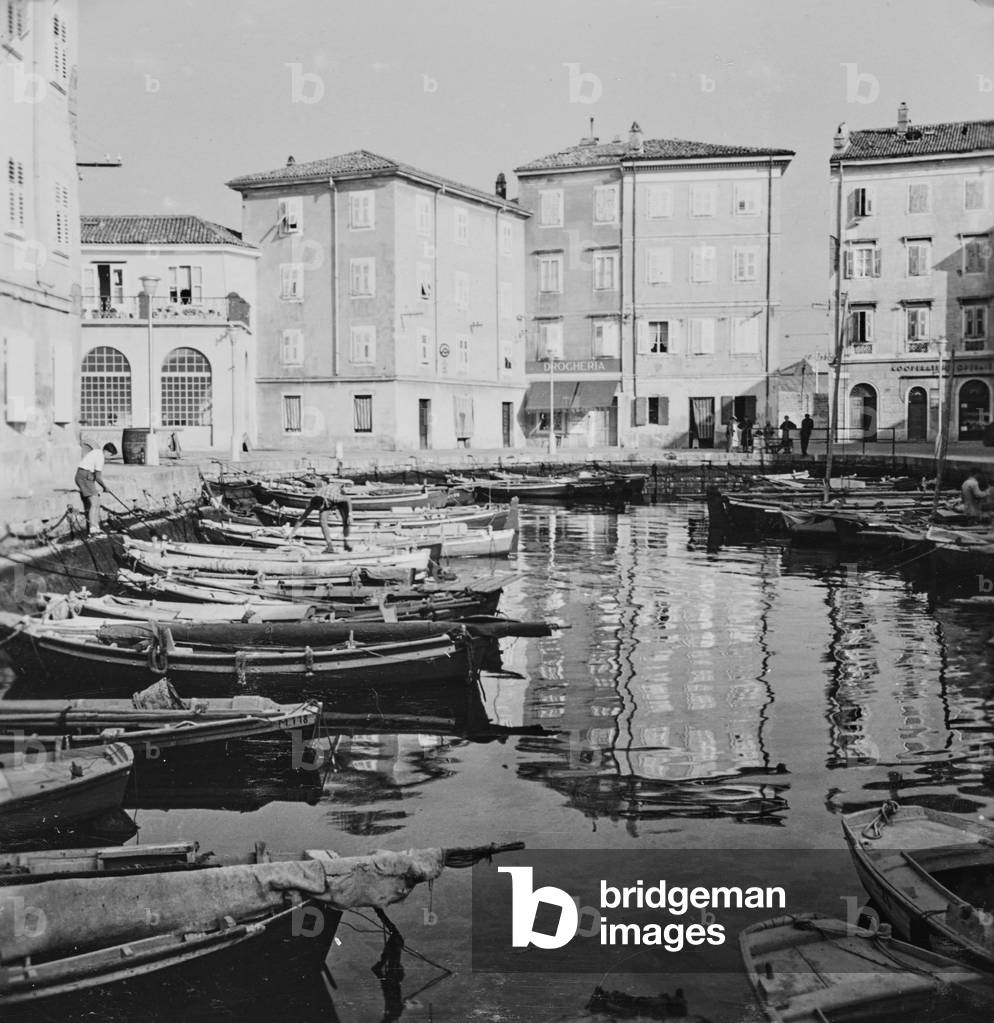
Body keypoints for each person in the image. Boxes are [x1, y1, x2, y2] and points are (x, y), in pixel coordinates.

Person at [290, 477, 356, 551]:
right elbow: (302, 518)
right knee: (322, 521)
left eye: (320, 508)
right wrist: (292, 533)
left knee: (346, 520)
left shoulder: (335, 497)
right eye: (317, 509)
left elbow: (348, 499)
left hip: (339, 493)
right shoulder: (313, 503)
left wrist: (350, 515)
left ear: (324, 503)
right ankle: (330, 546)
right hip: (326, 498)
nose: (319, 510)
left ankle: (346, 542)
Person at [75, 442, 118, 537]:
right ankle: (93, 530)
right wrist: (105, 487)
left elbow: (94, 475)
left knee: (97, 501)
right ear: (106, 451)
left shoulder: (97, 452)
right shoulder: (101, 457)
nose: (109, 457)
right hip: (84, 477)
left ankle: (96, 527)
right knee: (94, 503)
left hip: (85, 476)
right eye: (110, 455)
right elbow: (98, 477)